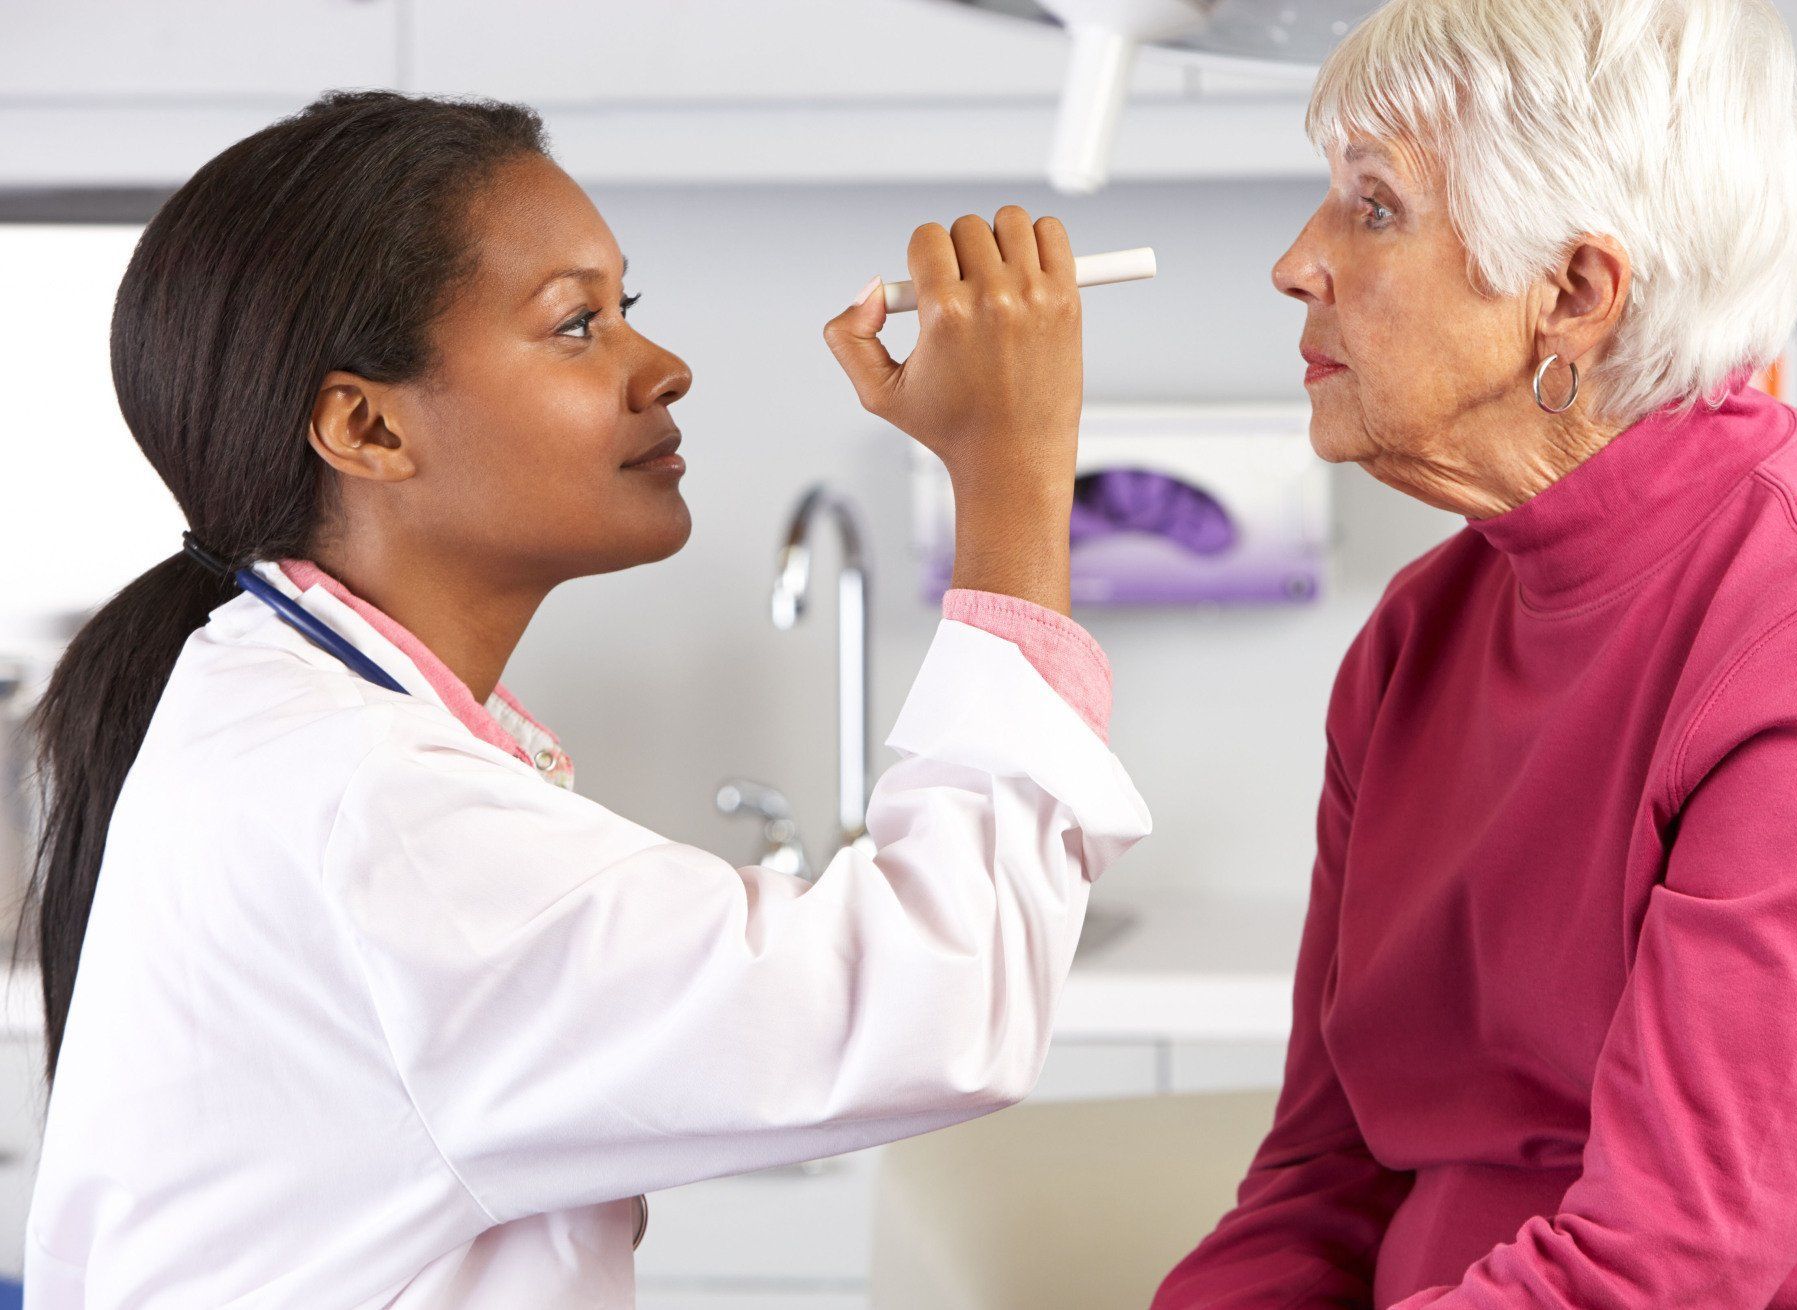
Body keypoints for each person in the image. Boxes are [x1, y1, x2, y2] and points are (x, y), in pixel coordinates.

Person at [21, 89, 1148, 1307]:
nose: (662, 369)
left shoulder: (282, 703)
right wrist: (1019, 474)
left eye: (629, 311)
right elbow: (938, 996)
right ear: (366, 424)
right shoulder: (378, 808)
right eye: (576, 326)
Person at [1155, 0, 1797, 1306]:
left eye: (1374, 207)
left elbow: (1664, 1261)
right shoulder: (1416, 635)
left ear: (1573, 292)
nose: (1297, 261)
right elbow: (1316, 1182)